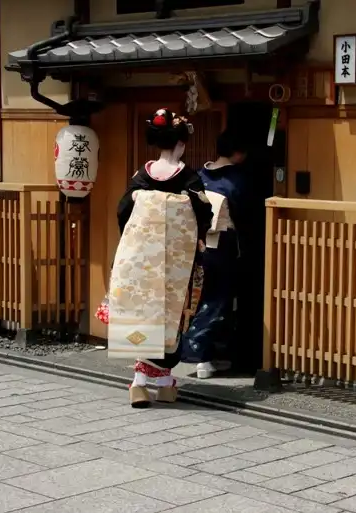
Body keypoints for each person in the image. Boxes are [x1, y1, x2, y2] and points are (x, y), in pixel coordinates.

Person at [110, 108, 213, 408]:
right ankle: (151, 383)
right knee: (172, 316)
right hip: (176, 263)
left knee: (144, 313)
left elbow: (123, 211)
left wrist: (139, 238)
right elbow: (204, 214)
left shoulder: (142, 176)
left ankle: (148, 383)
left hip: (143, 260)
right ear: (181, 143)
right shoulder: (189, 179)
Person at [182, 130, 251, 379]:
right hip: (224, 244)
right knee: (219, 298)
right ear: (238, 152)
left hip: (200, 243)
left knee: (202, 296)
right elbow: (245, 215)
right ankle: (199, 352)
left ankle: (209, 354)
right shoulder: (236, 180)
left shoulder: (200, 175)